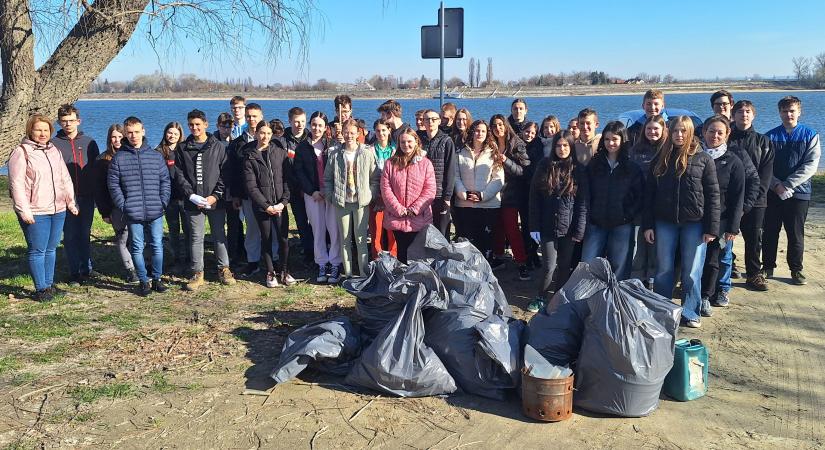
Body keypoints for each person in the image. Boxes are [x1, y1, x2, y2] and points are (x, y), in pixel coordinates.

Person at [643, 116, 720, 328]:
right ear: (670, 132)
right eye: (676, 130)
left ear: (690, 133)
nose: (679, 135)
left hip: (694, 223)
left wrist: (711, 228)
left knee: (692, 270)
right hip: (664, 222)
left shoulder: (703, 158)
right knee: (664, 269)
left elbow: (713, 195)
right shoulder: (661, 158)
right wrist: (648, 224)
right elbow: (649, 194)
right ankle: (663, 311)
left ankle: (690, 312)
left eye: (683, 131)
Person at [9, 114, 78, 301]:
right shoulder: (21, 152)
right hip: (36, 210)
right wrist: (24, 210)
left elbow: (64, 177)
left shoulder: (54, 150)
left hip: (57, 209)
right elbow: (16, 184)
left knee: (51, 249)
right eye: (38, 129)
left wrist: (70, 201)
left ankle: (49, 286)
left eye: (46, 130)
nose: (42, 133)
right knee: (37, 250)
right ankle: (40, 289)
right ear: (30, 130)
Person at [108, 116, 171, 296]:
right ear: (125, 134)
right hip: (132, 211)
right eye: (130, 133)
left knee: (157, 244)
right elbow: (113, 184)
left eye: (136, 132)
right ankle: (143, 281)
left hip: (155, 209)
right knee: (136, 246)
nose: (133, 135)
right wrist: (123, 205)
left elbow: (165, 181)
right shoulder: (119, 158)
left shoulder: (155, 156)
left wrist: (163, 201)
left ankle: (157, 278)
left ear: (143, 131)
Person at [763, 96, 821, 286]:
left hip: (799, 192)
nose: (788, 114)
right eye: (784, 111)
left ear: (799, 112)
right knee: (770, 230)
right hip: (773, 192)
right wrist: (776, 185)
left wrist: (788, 184)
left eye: (792, 111)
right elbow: (764, 166)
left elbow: (811, 165)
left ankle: (796, 269)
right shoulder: (770, 136)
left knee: (795, 233)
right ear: (779, 112)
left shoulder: (810, 135)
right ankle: (768, 267)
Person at [175, 109, 236, 290]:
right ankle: (197, 272)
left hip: (214, 200)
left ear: (206, 125)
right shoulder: (182, 148)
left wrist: (215, 196)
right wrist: (191, 195)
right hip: (193, 201)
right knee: (196, 237)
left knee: (219, 235)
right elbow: (179, 175)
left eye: (198, 125)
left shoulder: (217, 146)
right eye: (191, 125)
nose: (195, 128)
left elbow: (225, 174)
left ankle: (224, 269)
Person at [527, 131, 588, 312]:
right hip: (546, 227)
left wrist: (579, 230)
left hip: (568, 229)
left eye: (565, 146)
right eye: (559, 146)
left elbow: (582, 204)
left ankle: (558, 297)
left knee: (564, 265)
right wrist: (534, 226)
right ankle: (541, 296)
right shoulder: (544, 166)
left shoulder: (578, 170)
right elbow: (534, 198)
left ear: (571, 147)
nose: (562, 149)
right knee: (549, 266)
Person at [581, 121, 644, 280]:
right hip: (596, 222)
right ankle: (588, 298)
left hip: (622, 224)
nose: (610, 143)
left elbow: (639, 196)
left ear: (622, 140)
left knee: (620, 265)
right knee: (588, 263)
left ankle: (616, 298)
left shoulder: (632, 167)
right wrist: (590, 214)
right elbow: (586, 192)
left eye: (615, 139)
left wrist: (627, 214)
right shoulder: (595, 164)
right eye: (607, 139)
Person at [699, 115, 745, 317]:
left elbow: (738, 197)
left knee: (713, 260)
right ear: (703, 133)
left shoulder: (734, 162)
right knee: (690, 260)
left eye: (720, 132)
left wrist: (733, 227)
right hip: (694, 218)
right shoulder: (694, 156)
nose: (715, 136)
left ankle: (705, 297)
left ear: (727, 134)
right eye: (711, 131)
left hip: (721, 220)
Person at [323, 119, 380, 279]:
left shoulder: (367, 152)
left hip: (361, 203)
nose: (349, 136)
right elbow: (327, 179)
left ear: (358, 134)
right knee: (345, 239)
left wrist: (370, 195)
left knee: (361, 239)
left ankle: (363, 274)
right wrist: (332, 196)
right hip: (342, 203)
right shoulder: (334, 154)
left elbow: (375, 178)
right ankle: (347, 274)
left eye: (352, 132)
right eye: (346, 132)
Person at [729, 100, 775, 291]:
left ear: (753, 115)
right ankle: (724, 271)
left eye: (748, 112)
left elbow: (766, 175)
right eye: (740, 112)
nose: (744, 115)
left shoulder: (763, 141)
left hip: (756, 201)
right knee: (724, 238)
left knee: (754, 238)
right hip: (729, 199)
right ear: (733, 116)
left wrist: (754, 200)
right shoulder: (726, 138)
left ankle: (754, 274)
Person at [53, 104, 100, 286]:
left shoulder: (89, 142)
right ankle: (74, 272)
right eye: (64, 121)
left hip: (86, 197)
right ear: (59, 122)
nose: (68, 124)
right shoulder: (54, 144)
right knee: (70, 235)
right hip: (65, 199)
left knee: (84, 233)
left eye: (71, 121)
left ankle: (86, 269)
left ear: (78, 121)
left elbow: (95, 171)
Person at [243, 121, 293, 287]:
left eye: (268, 133)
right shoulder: (250, 155)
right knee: (266, 238)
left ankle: (285, 271)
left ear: (272, 135)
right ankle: (270, 272)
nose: (265, 137)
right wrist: (266, 206)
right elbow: (251, 186)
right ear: (256, 133)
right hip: (262, 206)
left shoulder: (280, 153)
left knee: (283, 239)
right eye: (262, 133)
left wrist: (283, 202)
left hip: (279, 205)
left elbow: (287, 180)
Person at [294, 111, 342, 283]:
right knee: (318, 229)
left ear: (326, 127)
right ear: (310, 125)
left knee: (334, 228)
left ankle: (335, 262)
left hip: (332, 193)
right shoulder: (302, 147)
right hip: (313, 194)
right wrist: (311, 191)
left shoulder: (333, 146)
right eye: (314, 124)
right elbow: (299, 173)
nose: (316, 128)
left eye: (320, 125)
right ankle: (322, 262)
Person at [380, 128, 437, 263]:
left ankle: (416, 280)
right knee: (402, 252)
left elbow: (429, 189)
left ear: (416, 142)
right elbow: (385, 188)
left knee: (418, 254)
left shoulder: (425, 164)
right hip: (397, 217)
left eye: (409, 141)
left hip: (419, 217)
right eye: (403, 142)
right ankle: (402, 280)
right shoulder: (390, 163)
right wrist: (399, 209)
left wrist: (414, 209)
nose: (406, 145)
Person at [453, 120, 504, 259]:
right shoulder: (461, 152)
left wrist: (482, 196)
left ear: (487, 133)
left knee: (486, 241)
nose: (479, 133)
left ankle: (487, 271)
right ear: (472, 132)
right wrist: (464, 194)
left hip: (488, 205)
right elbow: (455, 176)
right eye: (476, 130)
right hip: (465, 204)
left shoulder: (493, 153)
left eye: (482, 131)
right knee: (467, 241)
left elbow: (498, 179)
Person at [488, 114, 531, 280]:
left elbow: (524, 171)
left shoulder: (516, 144)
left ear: (506, 126)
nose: (497, 128)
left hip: (511, 194)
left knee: (512, 228)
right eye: (494, 125)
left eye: (500, 125)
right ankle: (498, 257)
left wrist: (506, 160)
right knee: (497, 227)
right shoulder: (490, 145)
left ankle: (522, 262)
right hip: (492, 193)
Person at [628, 115, 667, 287]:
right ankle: (636, 280)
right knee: (637, 246)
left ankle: (652, 279)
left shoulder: (668, 150)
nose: (652, 132)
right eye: (649, 129)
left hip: (659, 206)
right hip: (638, 205)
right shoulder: (636, 150)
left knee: (654, 244)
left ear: (663, 130)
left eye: (656, 129)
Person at [95, 124, 137, 283]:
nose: (117, 140)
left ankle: (140, 265)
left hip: (134, 205)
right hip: (114, 207)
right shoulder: (101, 160)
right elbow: (99, 189)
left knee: (136, 237)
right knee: (122, 237)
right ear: (109, 139)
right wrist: (104, 212)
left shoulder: (132, 155)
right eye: (114, 137)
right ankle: (130, 269)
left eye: (120, 136)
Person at [228, 103, 265, 277]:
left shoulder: (269, 139)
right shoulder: (237, 144)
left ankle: (275, 260)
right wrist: (235, 194)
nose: (251, 119)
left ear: (261, 116)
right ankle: (253, 261)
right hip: (247, 193)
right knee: (251, 228)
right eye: (249, 116)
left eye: (255, 116)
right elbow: (233, 171)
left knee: (270, 228)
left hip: (268, 193)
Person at [156, 121, 190, 271]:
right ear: (165, 133)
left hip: (185, 197)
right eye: (170, 133)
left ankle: (190, 259)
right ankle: (176, 259)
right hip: (168, 198)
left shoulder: (185, 150)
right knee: (173, 230)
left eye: (176, 133)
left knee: (189, 230)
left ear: (180, 135)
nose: (172, 136)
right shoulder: (158, 152)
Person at [284, 106, 315, 265]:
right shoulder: (283, 139)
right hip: (293, 188)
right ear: (290, 121)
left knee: (315, 221)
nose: (300, 125)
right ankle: (308, 250)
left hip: (310, 188)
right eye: (296, 122)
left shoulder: (310, 138)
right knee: (301, 221)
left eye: (303, 121)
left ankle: (318, 248)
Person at [418, 109, 457, 239]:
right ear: (423, 121)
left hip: (439, 194)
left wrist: (447, 197)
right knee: (423, 232)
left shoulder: (446, 141)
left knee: (441, 232)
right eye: (427, 119)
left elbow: (451, 171)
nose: (430, 122)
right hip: (420, 194)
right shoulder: (418, 140)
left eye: (434, 119)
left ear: (439, 121)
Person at [369, 119, 397, 258]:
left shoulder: (396, 150)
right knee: (376, 230)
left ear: (389, 131)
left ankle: (394, 259)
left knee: (392, 231)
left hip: (392, 197)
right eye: (378, 130)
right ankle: (376, 259)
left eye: (384, 130)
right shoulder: (369, 150)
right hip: (375, 197)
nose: (381, 133)